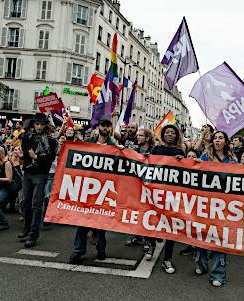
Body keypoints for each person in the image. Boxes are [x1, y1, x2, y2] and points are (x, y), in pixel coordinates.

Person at [69, 119, 117, 264]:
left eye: (108, 126)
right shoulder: (89, 141)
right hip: (87, 187)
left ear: (110, 128)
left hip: (104, 188)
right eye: (103, 126)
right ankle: (78, 250)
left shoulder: (114, 146)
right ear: (98, 127)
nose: (105, 128)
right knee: (82, 220)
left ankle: (101, 250)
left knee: (101, 221)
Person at [196, 130, 237, 287]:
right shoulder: (205, 157)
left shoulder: (232, 160)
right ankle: (201, 264)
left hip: (223, 205)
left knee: (220, 238)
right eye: (215, 138)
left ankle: (218, 274)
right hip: (204, 203)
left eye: (221, 138)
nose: (218, 140)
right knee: (201, 234)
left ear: (226, 142)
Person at [149, 124, 186, 274]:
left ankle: (167, 259)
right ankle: (150, 244)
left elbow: (186, 171)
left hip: (173, 194)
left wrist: (182, 161)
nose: (170, 134)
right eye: (167, 132)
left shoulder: (180, 151)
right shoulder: (156, 150)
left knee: (171, 226)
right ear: (163, 135)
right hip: (156, 193)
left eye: (172, 132)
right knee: (152, 221)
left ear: (176, 136)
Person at [18, 113, 58, 248]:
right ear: (33, 124)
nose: (39, 127)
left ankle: (33, 234)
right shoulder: (26, 137)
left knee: (36, 204)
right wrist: (22, 156)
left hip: (41, 174)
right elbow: (24, 155)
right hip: (28, 172)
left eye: (42, 124)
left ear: (46, 125)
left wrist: (36, 157)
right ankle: (27, 228)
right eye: (37, 124)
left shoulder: (52, 140)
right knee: (24, 202)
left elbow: (50, 160)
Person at [125, 128, 155, 250]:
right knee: (137, 211)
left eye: (140, 135)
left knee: (148, 213)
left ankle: (148, 240)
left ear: (147, 137)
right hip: (136, 186)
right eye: (137, 135)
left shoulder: (154, 152)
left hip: (149, 187)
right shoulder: (135, 151)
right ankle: (138, 236)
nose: (137, 137)